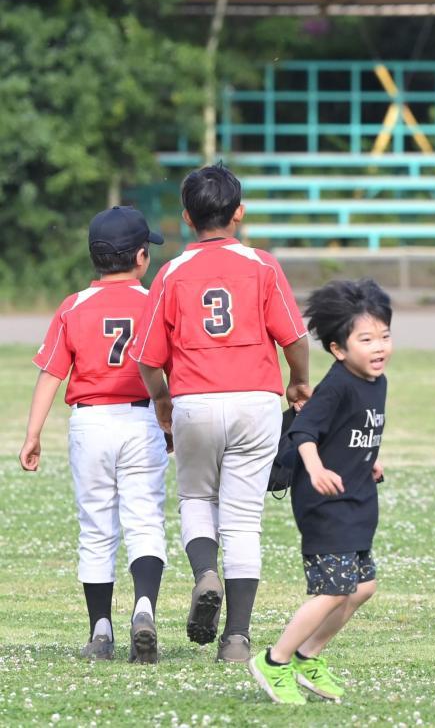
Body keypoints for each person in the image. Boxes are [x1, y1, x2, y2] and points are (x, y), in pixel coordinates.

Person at [129, 163, 311, 663]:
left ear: (187, 217)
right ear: (240, 212)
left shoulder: (172, 273)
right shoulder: (262, 265)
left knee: (195, 497)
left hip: (195, 400)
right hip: (256, 399)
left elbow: (147, 357)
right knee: (244, 519)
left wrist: (162, 398)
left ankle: (205, 571)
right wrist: (297, 380)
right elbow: (294, 337)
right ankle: (236, 637)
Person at [19, 206, 169, 663]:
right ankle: (143, 606)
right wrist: (171, 418)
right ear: (142, 257)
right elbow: (169, 369)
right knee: (144, 519)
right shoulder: (154, 303)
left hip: (89, 422)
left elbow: (50, 374)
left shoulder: (73, 306)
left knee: (96, 527)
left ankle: (100, 630)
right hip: (142, 418)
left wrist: (33, 433)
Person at [248, 279, 391, 705]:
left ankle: (308, 656)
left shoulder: (375, 381)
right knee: (332, 590)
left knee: (362, 588)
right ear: (338, 349)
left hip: (357, 496)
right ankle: (275, 661)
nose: (379, 346)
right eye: (366, 339)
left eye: (384, 335)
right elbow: (305, 432)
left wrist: (369, 459)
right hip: (325, 503)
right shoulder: (336, 385)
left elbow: (354, 429)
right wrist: (316, 469)